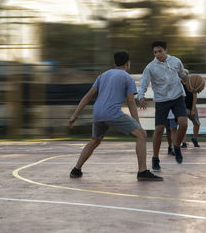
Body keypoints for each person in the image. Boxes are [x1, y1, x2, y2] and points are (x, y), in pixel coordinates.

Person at [68, 51, 163, 181]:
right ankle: (142, 171)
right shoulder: (127, 77)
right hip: (111, 113)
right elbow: (131, 102)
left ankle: (76, 170)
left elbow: (88, 96)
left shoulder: (103, 75)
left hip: (97, 113)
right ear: (128, 64)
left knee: (95, 140)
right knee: (142, 135)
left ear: (114, 63)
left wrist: (75, 114)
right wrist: (138, 125)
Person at [138, 40, 188, 169]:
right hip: (161, 100)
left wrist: (190, 84)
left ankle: (176, 146)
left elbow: (183, 76)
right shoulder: (150, 67)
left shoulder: (176, 61)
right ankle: (155, 159)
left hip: (177, 97)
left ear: (166, 50)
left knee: (183, 123)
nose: (157, 54)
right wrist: (141, 95)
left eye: (160, 51)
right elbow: (144, 82)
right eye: (155, 52)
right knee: (159, 130)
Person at [181, 69, 201, 148]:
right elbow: (178, 98)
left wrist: (192, 109)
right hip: (182, 106)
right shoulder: (178, 84)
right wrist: (184, 109)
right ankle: (183, 142)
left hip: (191, 105)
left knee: (197, 123)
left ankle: (194, 138)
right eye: (183, 74)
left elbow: (194, 96)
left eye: (186, 74)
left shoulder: (192, 83)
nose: (185, 76)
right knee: (183, 125)